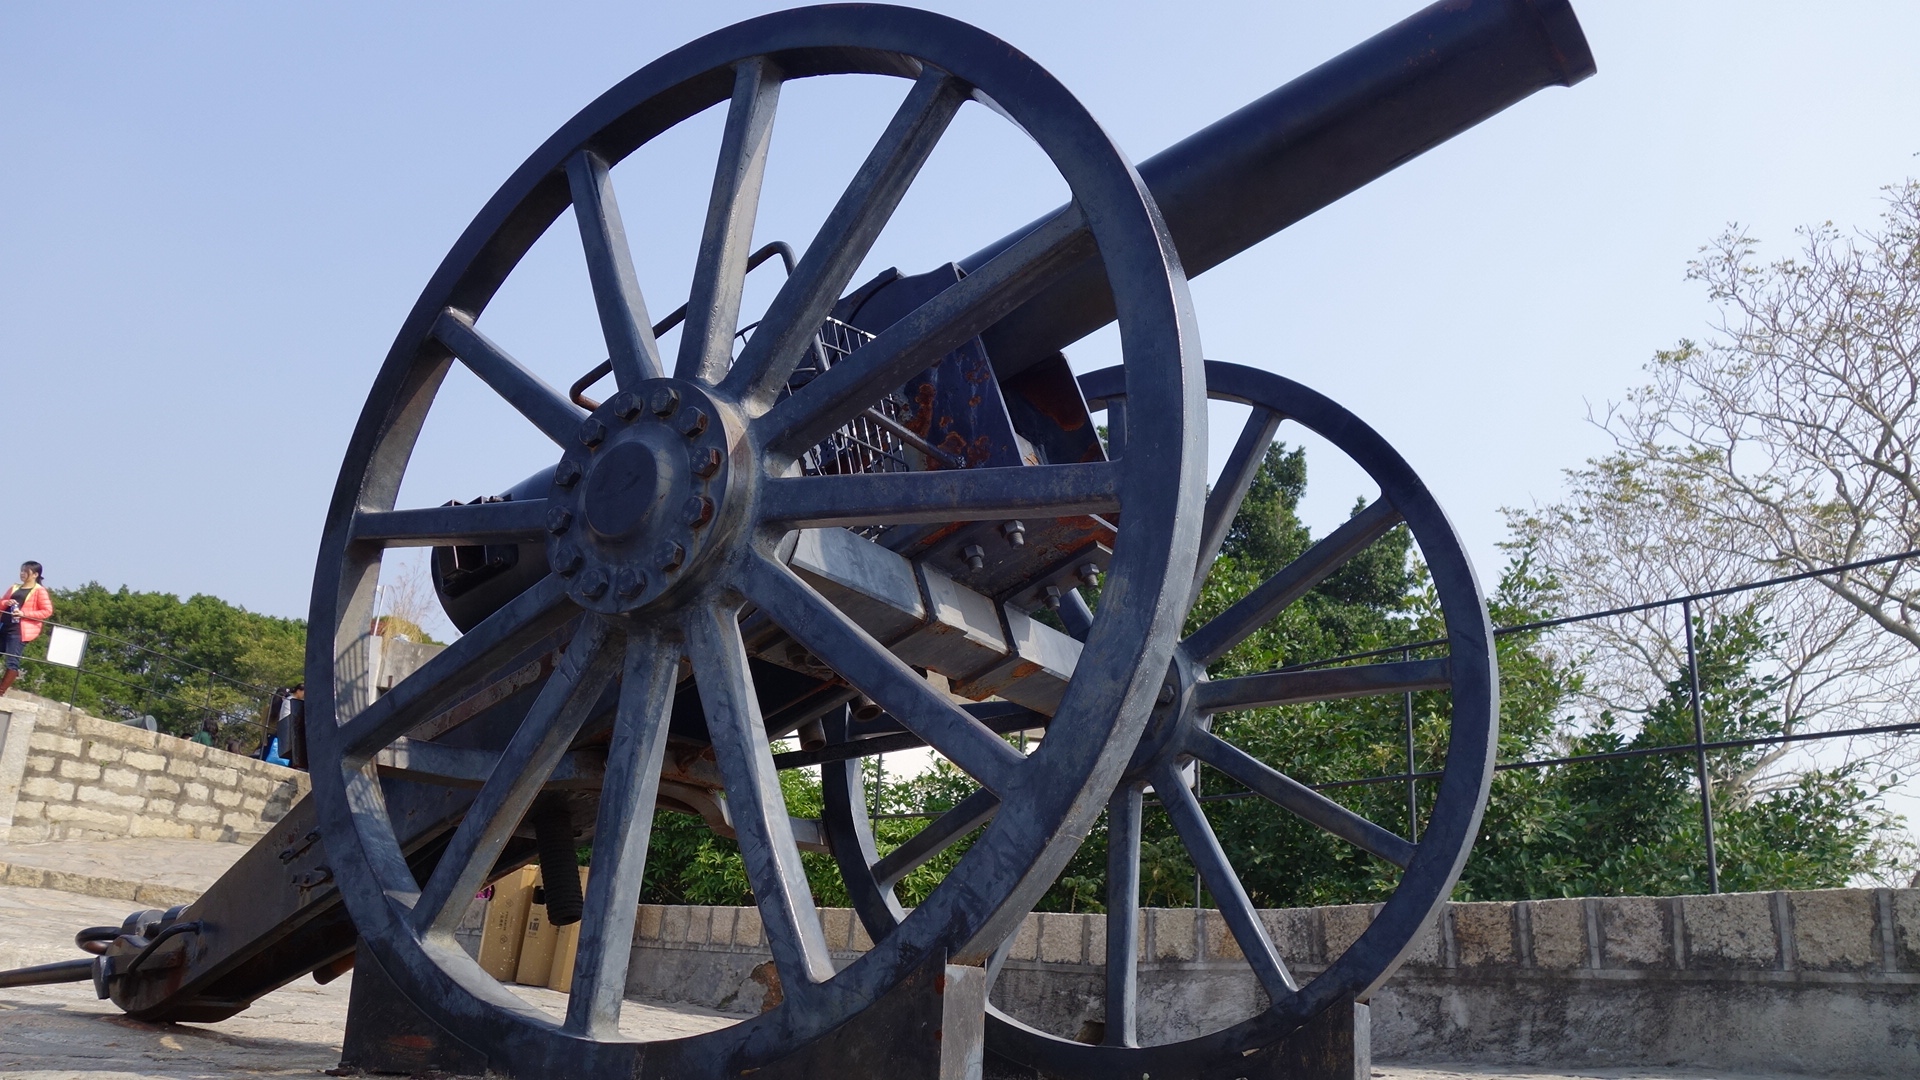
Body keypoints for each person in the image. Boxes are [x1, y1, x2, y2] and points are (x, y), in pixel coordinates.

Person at [0, 561, 51, 698]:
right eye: (21, 571)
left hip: (19, 630)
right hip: (4, 625)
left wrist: (24, 614)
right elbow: (1, 602)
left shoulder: (39, 590)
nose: (22, 574)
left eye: (26, 571)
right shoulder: (14, 587)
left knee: (12, 660)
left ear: (35, 574)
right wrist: (6, 602)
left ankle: (1, 691)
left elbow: (47, 611)